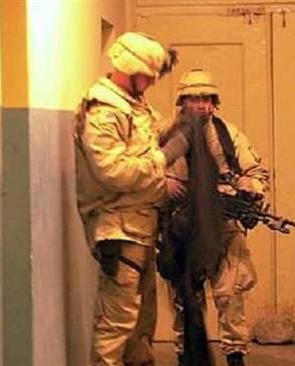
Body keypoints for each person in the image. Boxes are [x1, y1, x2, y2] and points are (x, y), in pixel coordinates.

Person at [73, 31, 181, 366]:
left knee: (141, 321)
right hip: (119, 230)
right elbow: (113, 171)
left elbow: (145, 140)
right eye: (147, 76)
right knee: (116, 325)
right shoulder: (104, 111)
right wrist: (162, 162)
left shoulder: (132, 104)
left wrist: (180, 127)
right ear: (129, 69)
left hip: (139, 226)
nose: (151, 83)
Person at [160, 69, 269, 366]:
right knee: (185, 301)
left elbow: (256, 173)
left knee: (230, 297)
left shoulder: (228, 134)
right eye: (194, 98)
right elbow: (145, 171)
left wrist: (251, 188)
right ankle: (187, 357)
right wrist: (165, 184)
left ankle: (235, 357)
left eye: (206, 98)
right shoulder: (164, 134)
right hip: (182, 230)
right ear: (182, 102)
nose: (201, 105)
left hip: (223, 227)